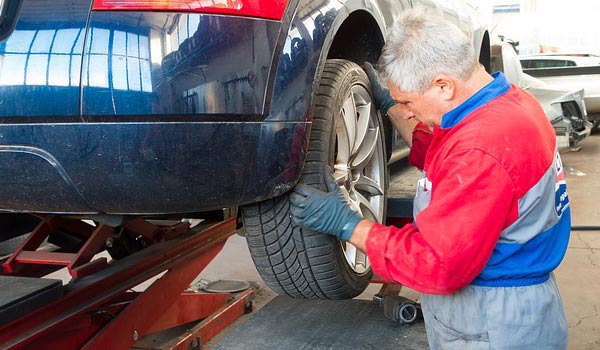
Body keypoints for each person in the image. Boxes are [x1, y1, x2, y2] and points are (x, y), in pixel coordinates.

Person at [290, 8, 569, 350]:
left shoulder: (481, 148)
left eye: (407, 101)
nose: (405, 111)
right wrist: (391, 104)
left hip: (494, 321)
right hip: (509, 306)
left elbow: (437, 264)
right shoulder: (509, 103)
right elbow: (444, 155)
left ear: (443, 85)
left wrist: (349, 226)